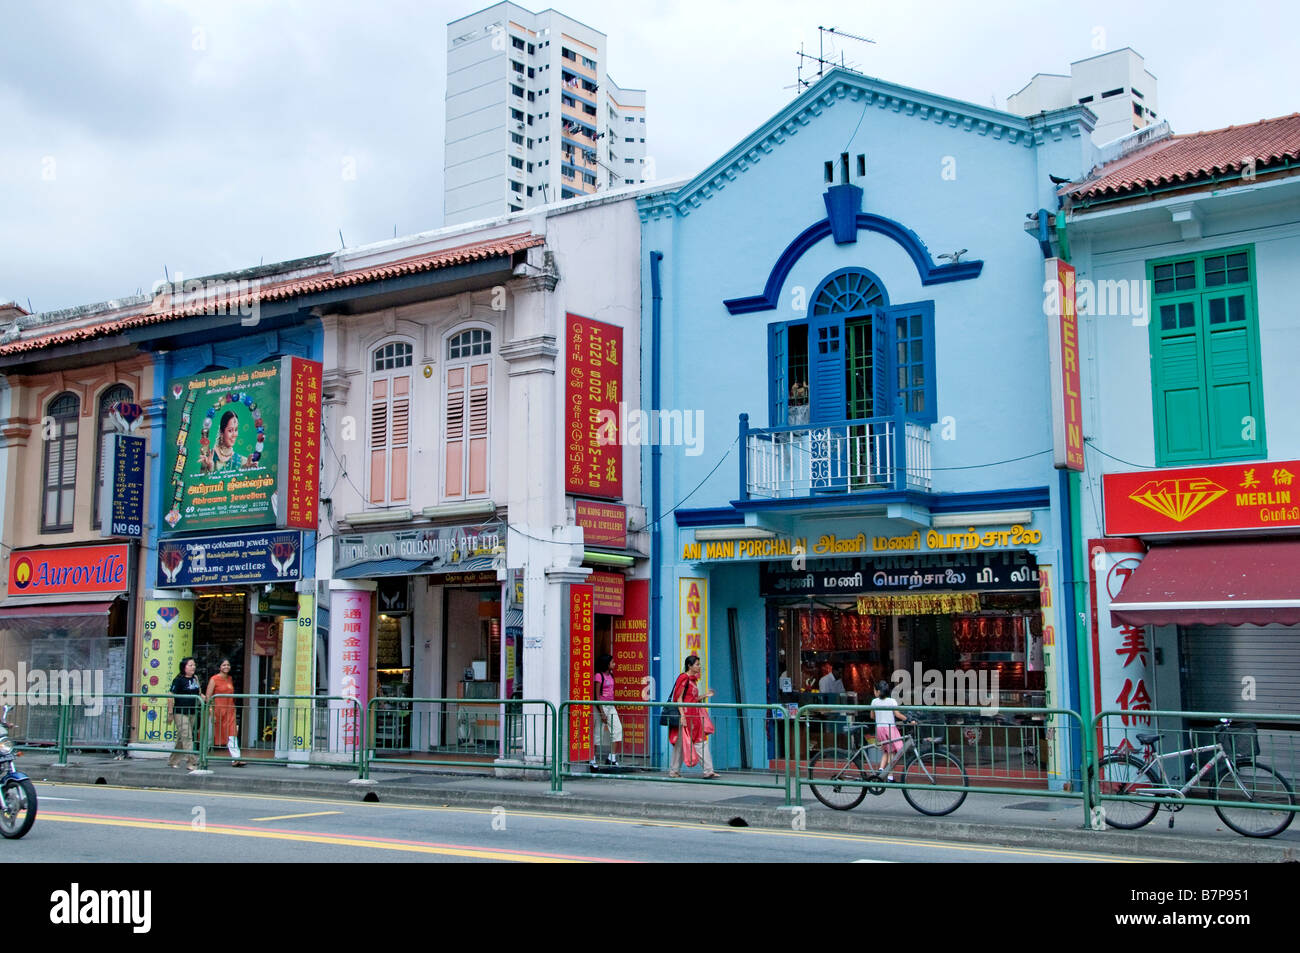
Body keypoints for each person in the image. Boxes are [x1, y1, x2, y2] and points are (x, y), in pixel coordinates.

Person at [668, 655, 720, 779]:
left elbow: (692, 699)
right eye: (697, 664)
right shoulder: (684, 678)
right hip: (686, 716)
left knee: (699, 742)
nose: (699, 666)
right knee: (682, 743)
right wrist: (682, 715)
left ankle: (708, 770)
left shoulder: (692, 680)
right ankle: (675, 771)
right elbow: (678, 698)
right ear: (689, 666)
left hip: (694, 717)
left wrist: (705, 695)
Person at [167, 657, 205, 770]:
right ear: (184, 667)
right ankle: (192, 762)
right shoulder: (178, 680)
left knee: (182, 737)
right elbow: (170, 695)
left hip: (192, 711)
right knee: (187, 736)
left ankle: (173, 760)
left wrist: (207, 699)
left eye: (194, 665)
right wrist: (170, 713)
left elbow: (199, 693)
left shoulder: (195, 678)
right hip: (180, 711)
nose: (193, 667)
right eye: (190, 665)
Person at [206, 658, 243, 766]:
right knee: (209, 736)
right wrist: (211, 710)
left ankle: (236, 758)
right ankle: (202, 757)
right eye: (224, 665)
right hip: (217, 711)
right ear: (219, 667)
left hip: (229, 710)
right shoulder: (214, 679)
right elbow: (208, 696)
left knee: (232, 734)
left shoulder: (230, 679)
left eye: (228, 665)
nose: (226, 667)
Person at [870, 679, 908, 782]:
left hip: (880, 729)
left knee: (886, 751)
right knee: (892, 752)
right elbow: (897, 714)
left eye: (874, 690)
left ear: (878, 692)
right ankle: (890, 777)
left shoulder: (874, 702)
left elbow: (872, 716)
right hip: (890, 729)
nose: (874, 692)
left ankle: (881, 770)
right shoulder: (892, 701)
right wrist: (907, 719)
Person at [590, 654, 622, 768]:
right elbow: (597, 696)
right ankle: (592, 759)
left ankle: (612, 757)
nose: (614, 664)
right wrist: (602, 712)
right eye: (612, 662)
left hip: (611, 706)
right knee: (598, 733)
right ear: (606, 664)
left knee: (618, 729)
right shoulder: (599, 676)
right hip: (601, 706)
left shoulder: (611, 675)